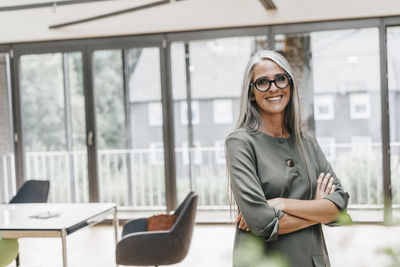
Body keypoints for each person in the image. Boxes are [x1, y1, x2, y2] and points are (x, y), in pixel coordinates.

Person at [225, 50, 350, 267]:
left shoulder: (308, 143)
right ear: (251, 93)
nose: (273, 88)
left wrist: (283, 204)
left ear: (290, 85)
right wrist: (319, 209)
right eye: (262, 82)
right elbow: (262, 222)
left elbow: (339, 208)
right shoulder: (240, 143)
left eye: (280, 79)